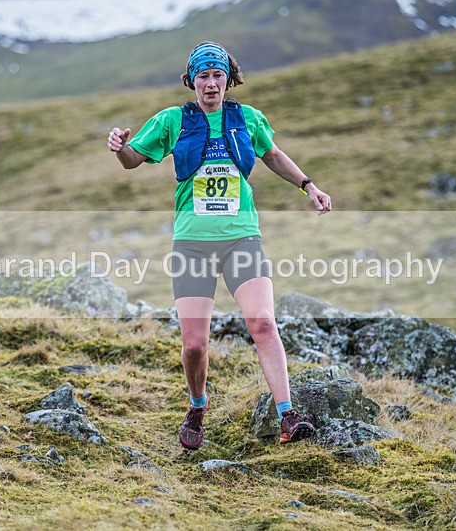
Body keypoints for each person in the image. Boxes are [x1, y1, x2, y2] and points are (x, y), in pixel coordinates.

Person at [107, 41, 332, 450]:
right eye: (203, 76)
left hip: (241, 238)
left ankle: (287, 415)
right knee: (194, 345)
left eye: (217, 76)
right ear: (191, 80)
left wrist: (308, 186)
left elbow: (274, 155)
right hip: (192, 243)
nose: (211, 84)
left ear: (228, 79)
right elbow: (133, 160)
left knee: (262, 321)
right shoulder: (171, 120)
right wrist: (120, 146)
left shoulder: (248, 119)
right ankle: (197, 406)